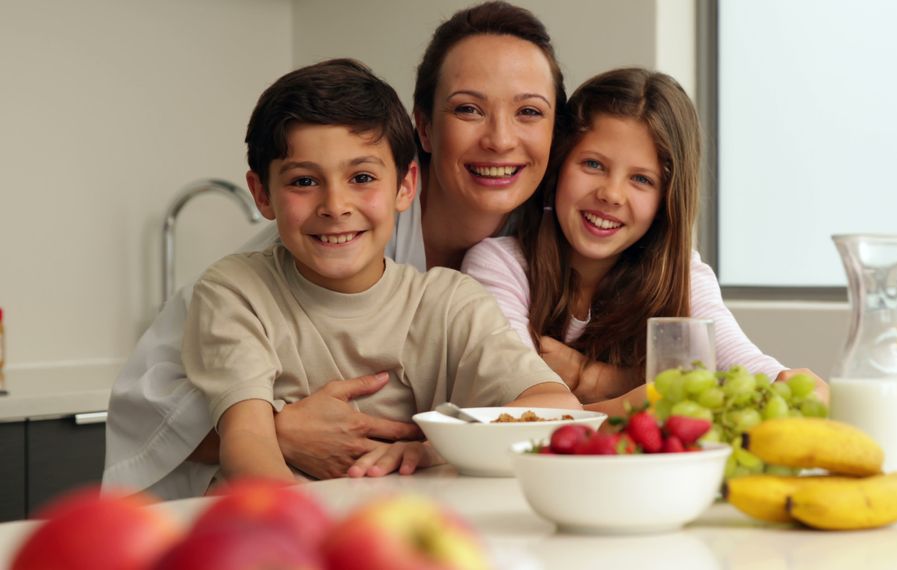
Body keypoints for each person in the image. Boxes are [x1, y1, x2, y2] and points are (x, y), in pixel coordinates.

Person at [104, 1, 568, 498]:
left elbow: (552, 410)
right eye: (468, 108)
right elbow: (168, 419)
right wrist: (280, 429)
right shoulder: (253, 282)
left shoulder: (488, 280)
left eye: (529, 111)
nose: (499, 139)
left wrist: (439, 446)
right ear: (425, 129)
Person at [461, 68, 825, 417]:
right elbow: (518, 410)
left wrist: (594, 379)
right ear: (558, 165)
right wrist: (640, 399)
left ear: (667, 198)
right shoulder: (498, 265)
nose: (612, 194)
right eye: (593, 164)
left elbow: (747, 373)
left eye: (641, 179)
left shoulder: (682, 278)